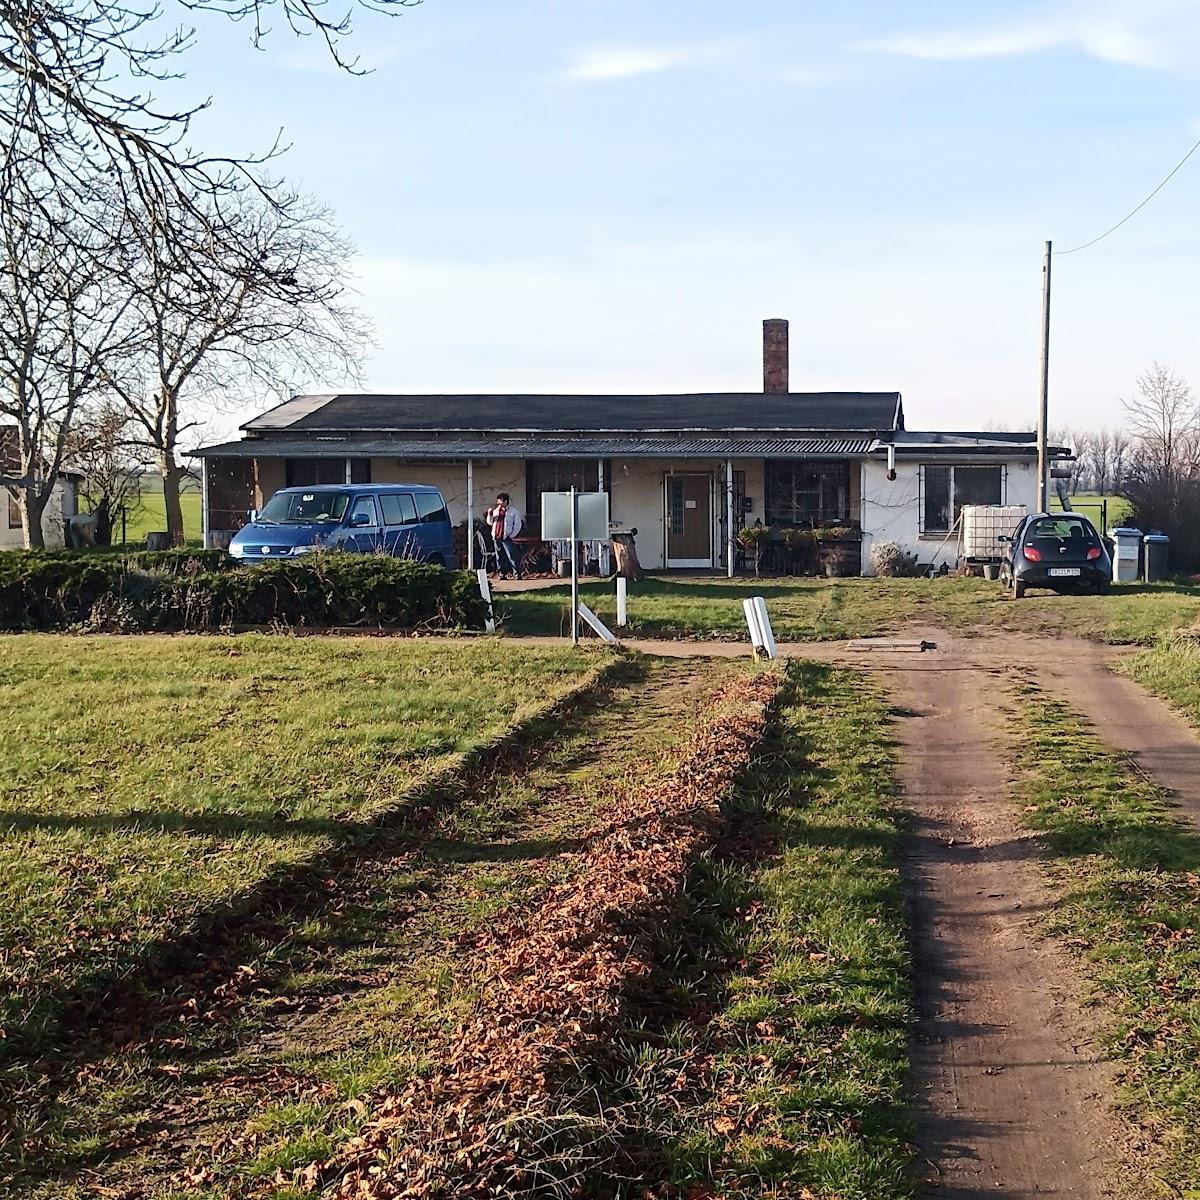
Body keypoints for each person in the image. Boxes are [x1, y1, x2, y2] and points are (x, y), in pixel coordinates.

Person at [486, 492, 524, 578]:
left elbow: (518, 524)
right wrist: (490, 515)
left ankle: (516, 573)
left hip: (506, 537)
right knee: (499, 556)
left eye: (500, 502)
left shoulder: (513, 512)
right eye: (498, 502)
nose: (498, 504)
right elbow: (490, 522)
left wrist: (511, 535)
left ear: (505, 501)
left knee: (511, 555)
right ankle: (502, 573)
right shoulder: (496, 511)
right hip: (497, 536)